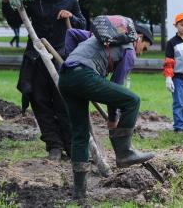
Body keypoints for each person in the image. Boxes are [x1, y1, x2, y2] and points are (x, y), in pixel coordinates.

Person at [58, 15, 155, 199]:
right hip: (84, 76)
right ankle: (124, 152)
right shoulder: (129, 50)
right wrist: (113, 120)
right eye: (145, 48)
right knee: (132, 101)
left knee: (80, 134)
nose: (142, 53)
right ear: (139, 38)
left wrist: (71, 59)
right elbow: (118, 84)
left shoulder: (98, 36)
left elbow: (71, 33)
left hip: (66, 76)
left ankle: (79, 192)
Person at [0, 0, 86, 160]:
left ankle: (71, 146)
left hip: (60, 59)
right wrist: (6, 2)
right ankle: (54, 145)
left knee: (63, 102)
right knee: (39, 101)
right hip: (36, 58)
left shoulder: (71, 1)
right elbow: (15, 20)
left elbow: (83, 24)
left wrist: (70, 16)